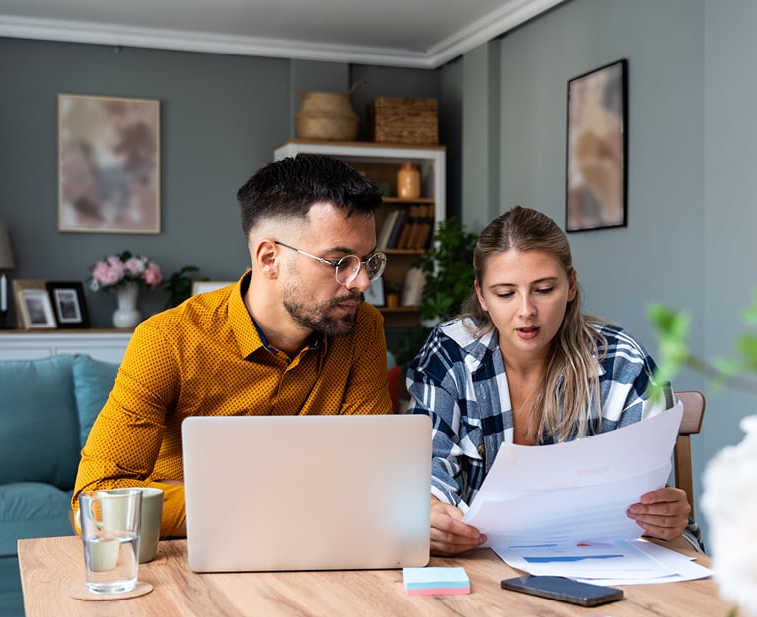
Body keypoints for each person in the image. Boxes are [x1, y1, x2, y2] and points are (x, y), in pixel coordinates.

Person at [74, 155, 394, 537]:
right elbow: (97, 503)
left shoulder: (362, 327)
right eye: (339, 261)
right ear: (269, 258)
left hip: (311, 545)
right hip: (189, 555)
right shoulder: (166, 341)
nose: (361, 283)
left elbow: (368, 476)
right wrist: (259, 503)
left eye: (367, 261)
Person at [407, 206, 693, 556]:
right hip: (480, 568)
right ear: (481, 296)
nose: (526, 310)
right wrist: (432, 512)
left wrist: (664, 516)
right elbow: (425, 469)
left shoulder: (622, 362)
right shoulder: (449, 355)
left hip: (601, 564)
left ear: (571, 286)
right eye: (505, 293)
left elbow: (650, 497)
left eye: (543, 289)